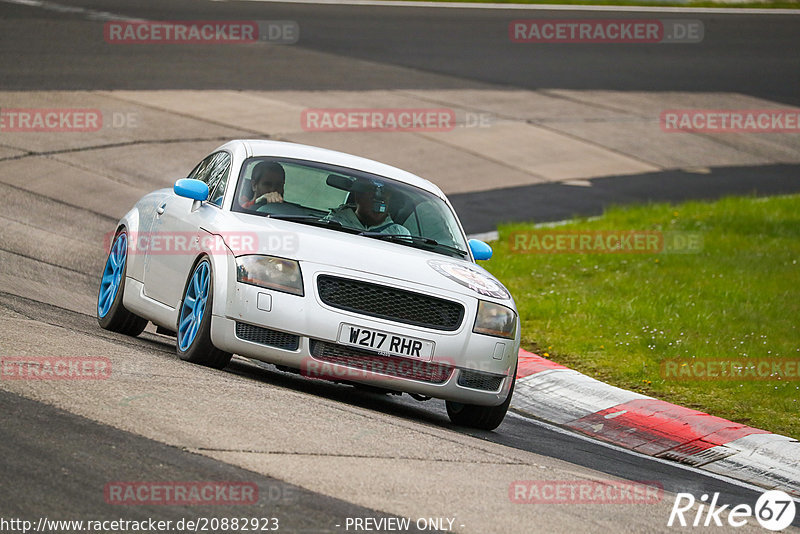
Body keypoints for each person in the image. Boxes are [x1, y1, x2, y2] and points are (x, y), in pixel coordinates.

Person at [325, 179, 410, 235]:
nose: (377, 206)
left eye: (384, 198)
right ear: (358, 197)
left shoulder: (399, 233)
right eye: (372, 196)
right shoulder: (334, 222)